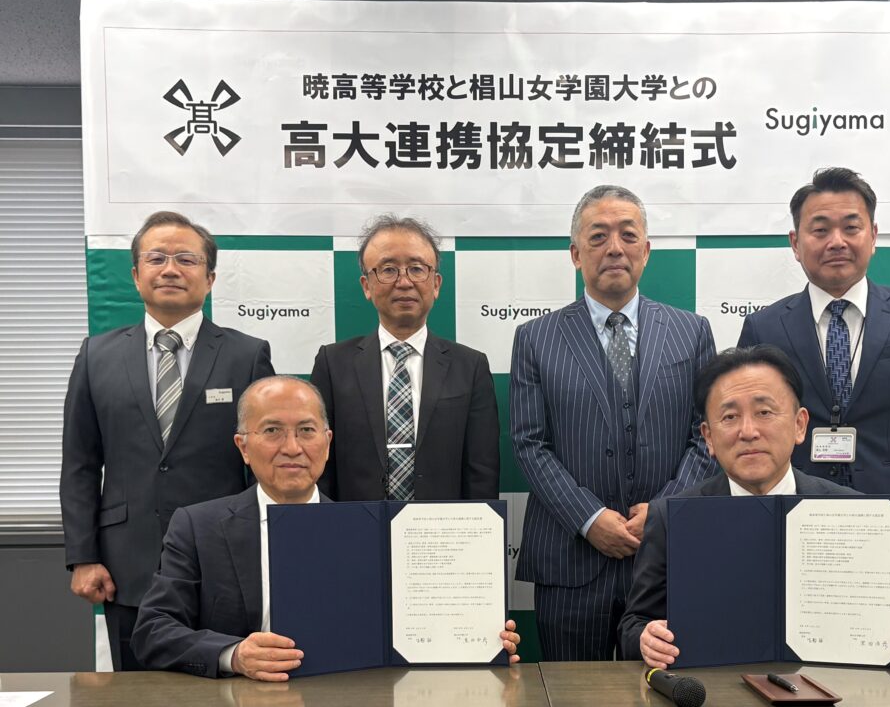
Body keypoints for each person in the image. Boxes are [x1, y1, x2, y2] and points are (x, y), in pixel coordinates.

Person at [131, 376, 520, 679]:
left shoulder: (374, 532)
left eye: (306, 430)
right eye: (272, 431)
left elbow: (407, 636)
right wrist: (234, 655)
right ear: (243, 447)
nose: (292, 447)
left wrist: (478, 641)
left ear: (328, 442)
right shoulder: (198, 527)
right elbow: (152, 631)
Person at [618, 345, 890, 671]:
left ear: (799, 425)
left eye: (764, 412)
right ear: (708, 437)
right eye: (730, 417)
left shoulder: (858, 516)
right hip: (712, 688)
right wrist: (646, 639)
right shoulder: (671, 518)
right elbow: (634, 624)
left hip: (830, 687)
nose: (748, 432)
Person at [60, 211, 275, 670]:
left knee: (229, 681)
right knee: (135, 693)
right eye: (156, 258)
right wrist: (82, 557)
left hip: (224, 562)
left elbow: (264, 461)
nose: (170, 269)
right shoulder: (96, 355)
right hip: (125, 566)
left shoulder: (246, 354)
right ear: (136, 275)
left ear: (210, 277)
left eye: (186, 259)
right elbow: (80, 464)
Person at [510, 185, 717, 660]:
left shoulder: (692, 331)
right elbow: (528, 444)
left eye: (628, 235)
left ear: (646, 250)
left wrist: (663, 512)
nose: (615, 248)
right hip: (570, 560)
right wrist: (589, 519)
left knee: (665, 685)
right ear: (575, 254)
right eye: (598, 236)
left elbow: (705, 437)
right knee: (573, 691)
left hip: (665, 557)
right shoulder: (535, 338)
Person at [737, 167, 890, 580]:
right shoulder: (764, 327)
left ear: (873, 236)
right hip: (790, 518)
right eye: (820, 229)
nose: (836, 241)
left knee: (885, 624)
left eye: (851, 227)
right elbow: (749, 432)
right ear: (796, 243)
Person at [311, 215, 499, 501]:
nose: (404, 282)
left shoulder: (470, 367)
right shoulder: (333, 364)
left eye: (416, 269)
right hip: (355, 523)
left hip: (441, 526)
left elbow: (481, 471)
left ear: (436, 284)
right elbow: (320, 465)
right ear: (366, 285)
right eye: (388, 270)